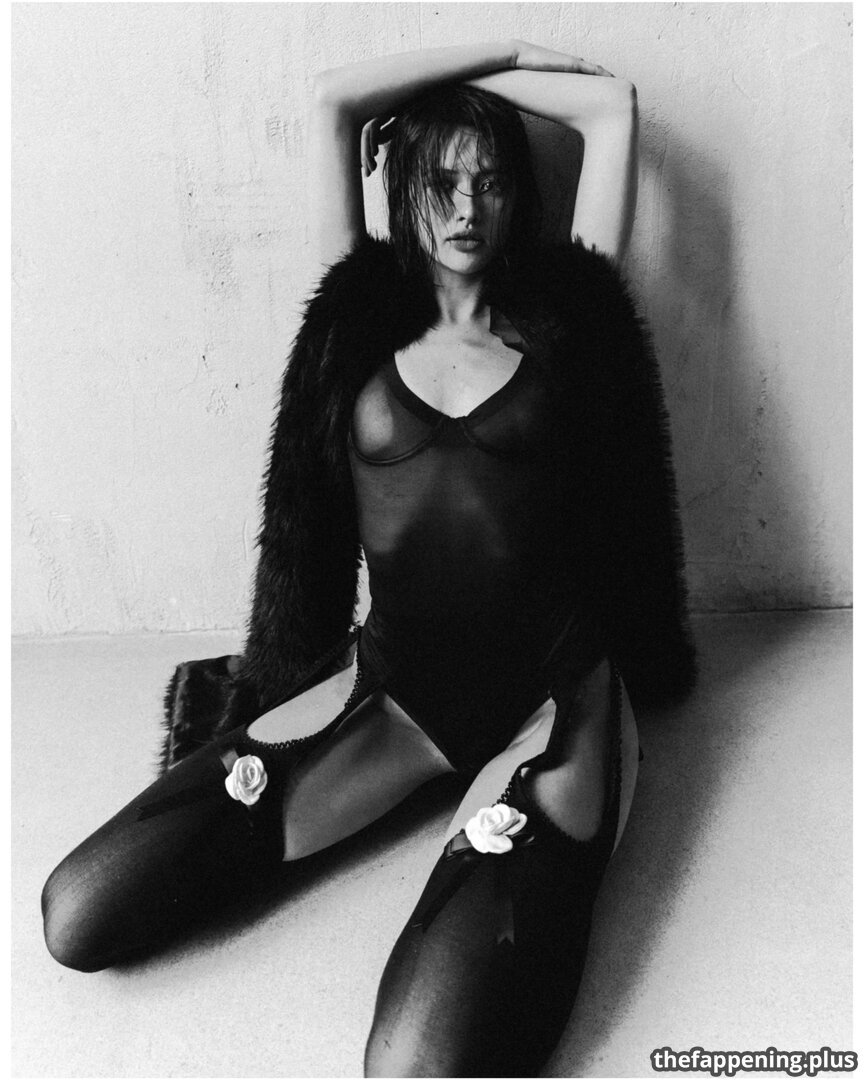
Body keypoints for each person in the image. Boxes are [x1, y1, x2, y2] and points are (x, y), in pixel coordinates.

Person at [41, 40, 695, 1078]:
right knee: (79, 911)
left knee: (415, 1062)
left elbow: (609, 109)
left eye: (490, 180)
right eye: (440, 180)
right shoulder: (359, 320)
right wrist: (486, 57)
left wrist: (495, 82)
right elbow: (332, 102)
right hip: (396, 694)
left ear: (517, 196)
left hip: (554, 700)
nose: (466, 206)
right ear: (402, 188)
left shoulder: (568, 319)